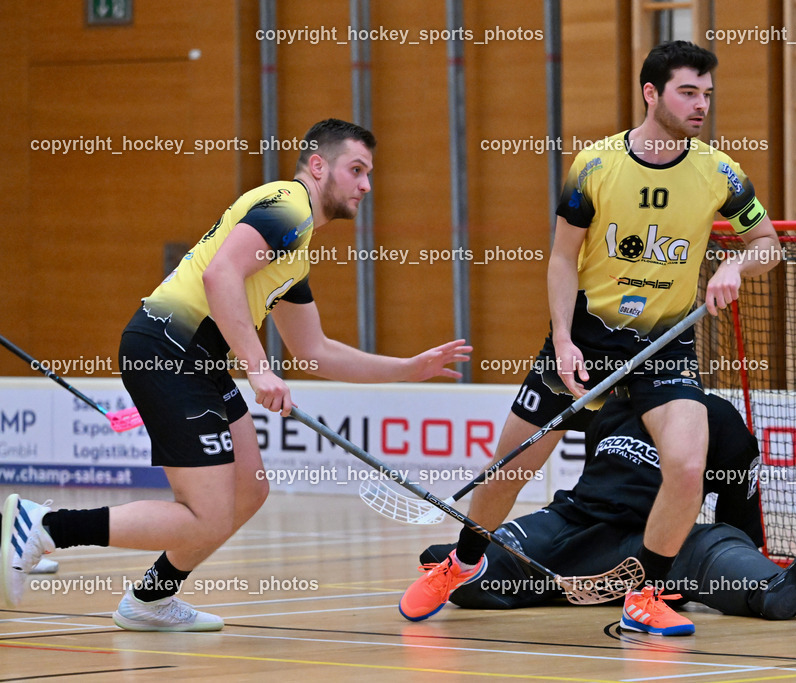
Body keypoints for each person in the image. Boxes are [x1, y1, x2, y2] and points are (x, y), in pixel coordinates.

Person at [1, 119, 471, 631]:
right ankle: (45, 526)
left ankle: (150, 601)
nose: (366, 185)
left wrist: (409, 369)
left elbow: (314, 351)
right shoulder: (289, 207)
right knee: (204, 515)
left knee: (249, 489)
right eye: (356, 170)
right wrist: (259, 370)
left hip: (200, 358)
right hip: (169, 346)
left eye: (368, 174)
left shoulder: (295, 252)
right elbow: (219, 273)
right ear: (318, 166)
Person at [400, 40, 781, 636]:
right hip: (585, 339)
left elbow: (768, 245)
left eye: (707, 94)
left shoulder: (721, 172)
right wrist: (562, 339)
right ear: (651, 93)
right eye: (687, 92)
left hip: (664, 347)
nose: (701, 105)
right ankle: (464, 562)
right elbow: (561, 258)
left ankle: (646, 595)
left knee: (686, 466)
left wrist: (737, 264)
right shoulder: (595, 165)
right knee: (511, 465)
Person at [418, 393, 796, 628]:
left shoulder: (717, 417)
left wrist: (746, 564)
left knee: (713, 543)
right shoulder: (613, 404)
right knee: (459, 568)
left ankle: (772, 591)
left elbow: (737, 520)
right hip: (572, 525)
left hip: (653, 545)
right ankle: (588, 586)